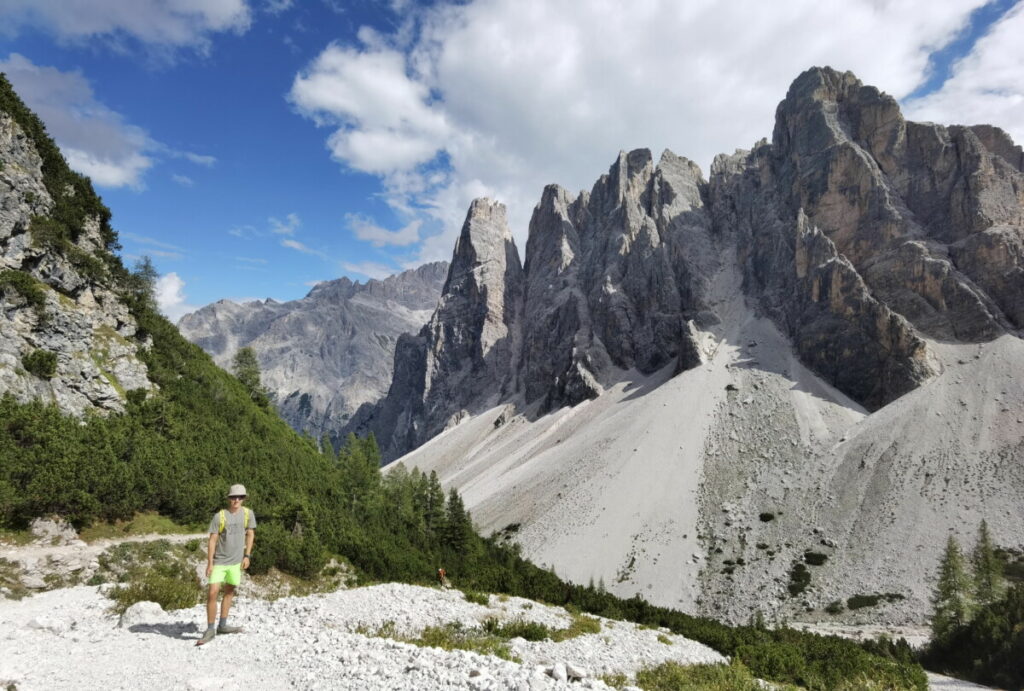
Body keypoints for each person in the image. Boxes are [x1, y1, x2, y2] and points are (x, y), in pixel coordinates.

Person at [196, 484, 256, 646]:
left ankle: (222, 625)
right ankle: (210, 629)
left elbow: (250, 534)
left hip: (236, 562)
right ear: (229, 498)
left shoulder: (248, 514)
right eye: (233, 497)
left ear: (244, 498)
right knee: (213, 592)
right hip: (220, 562)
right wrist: (209, 563)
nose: (236, 500)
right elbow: (213, 540)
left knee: (229, 591)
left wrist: (247, 555)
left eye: (240, 497)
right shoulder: (220, 516)